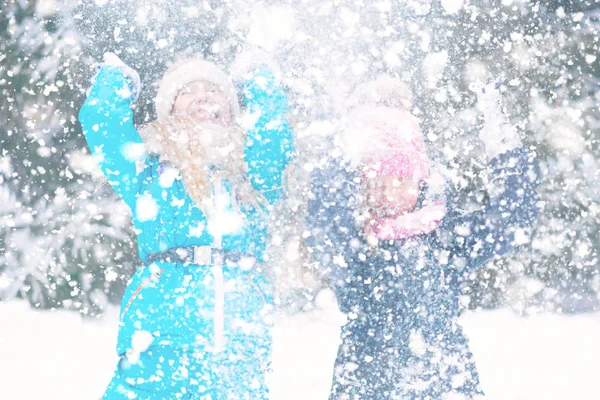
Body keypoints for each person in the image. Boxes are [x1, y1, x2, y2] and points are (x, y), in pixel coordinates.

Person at [78, 47, 294, 399]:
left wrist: (258, 77)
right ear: (170, 109)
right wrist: (114, 79)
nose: (202, 97)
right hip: (159, 331)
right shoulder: (149, 170)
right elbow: (104, 124)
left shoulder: (253, 172)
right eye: (187, 91)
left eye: (213, 91)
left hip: (238, 333)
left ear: (230, 108)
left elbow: (273, 130)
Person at [306, 76, 540, 399]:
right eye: (375, 180)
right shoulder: (354, 243)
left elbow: (511, 221)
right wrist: (348, 137)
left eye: (400, 178)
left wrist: (501, 142)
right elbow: (324, 212)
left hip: (445, 382)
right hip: (366, 383)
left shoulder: (445, 233)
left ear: (420, 180)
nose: (387, 191)